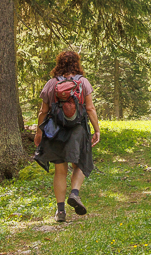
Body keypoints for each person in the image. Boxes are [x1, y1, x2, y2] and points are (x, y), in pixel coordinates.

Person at [34, 49, 101, 222]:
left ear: (59, 64)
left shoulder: (51, 83)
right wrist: (97, 130)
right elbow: (90, 108)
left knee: (60, 169)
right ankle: (75, 193)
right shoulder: (83, 82)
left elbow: (43, 111)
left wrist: (39, 131)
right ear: (77, 64)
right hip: (77, 129)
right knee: (81, 162)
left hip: (55, 130)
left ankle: (61, 211)